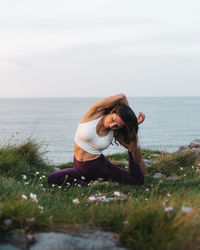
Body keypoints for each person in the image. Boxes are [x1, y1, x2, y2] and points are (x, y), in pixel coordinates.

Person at [48, 93, 145, 187]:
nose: (112, 125)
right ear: (113, 110)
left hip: (100, 167)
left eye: (116, 126)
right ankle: (90, 184)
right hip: (79, 166)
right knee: (53, 178)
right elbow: (121, 96)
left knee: (137, 181)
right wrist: (127, 113)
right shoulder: (94, 113)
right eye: (112, 120)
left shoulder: (114, 130)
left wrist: (132, 124)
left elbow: (128, 141)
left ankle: (90, 183)